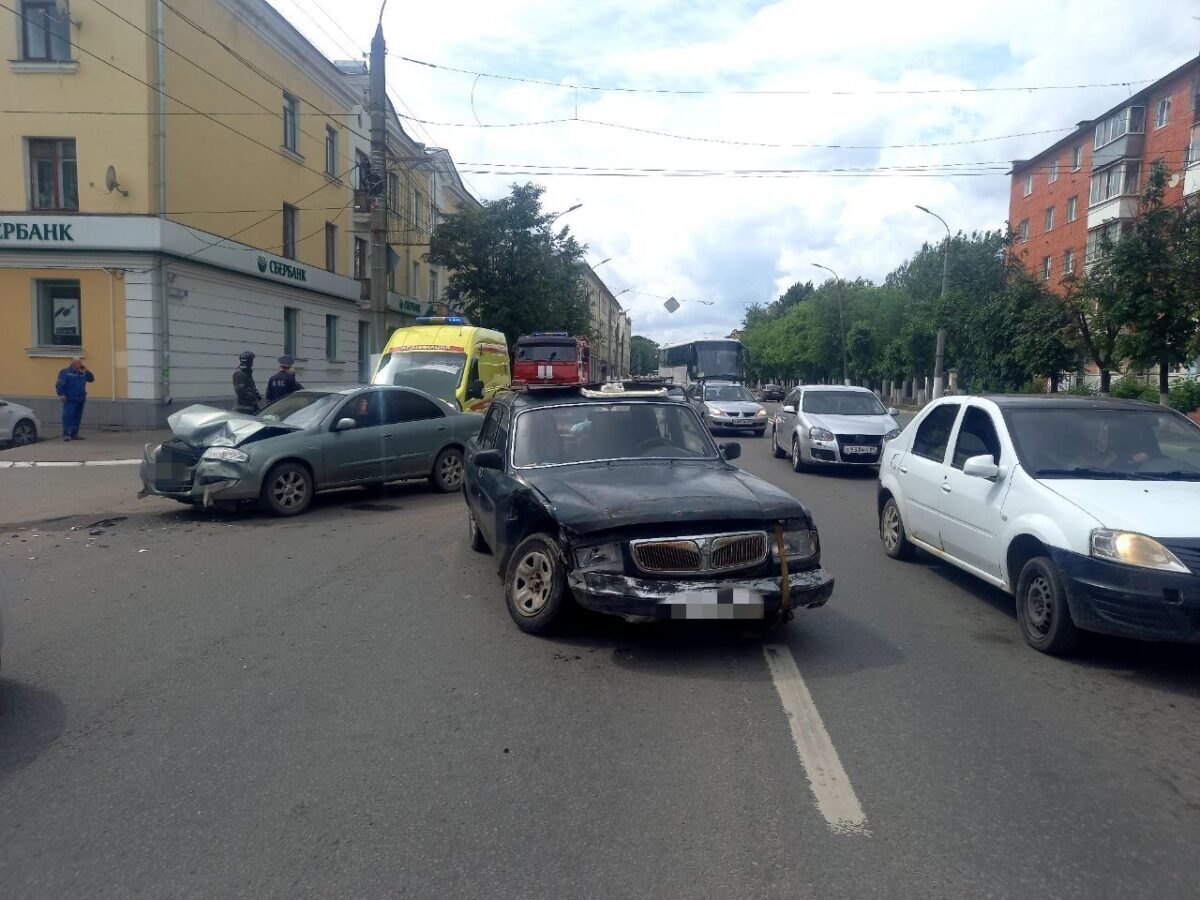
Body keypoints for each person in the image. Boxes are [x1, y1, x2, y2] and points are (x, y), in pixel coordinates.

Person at [55, 357, 94, 441]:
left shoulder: (82, 373)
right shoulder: (65, 372)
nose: (81, 364)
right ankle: (66, 434)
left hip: (80, 398)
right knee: (68, 416)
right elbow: (60, 384)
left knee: (77, 417)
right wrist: (61, 394)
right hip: (70, 398)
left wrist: (86, 371)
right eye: (79, 363)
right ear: (73, 364)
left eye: (81, 363)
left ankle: (74, 434)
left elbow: (91, 379)